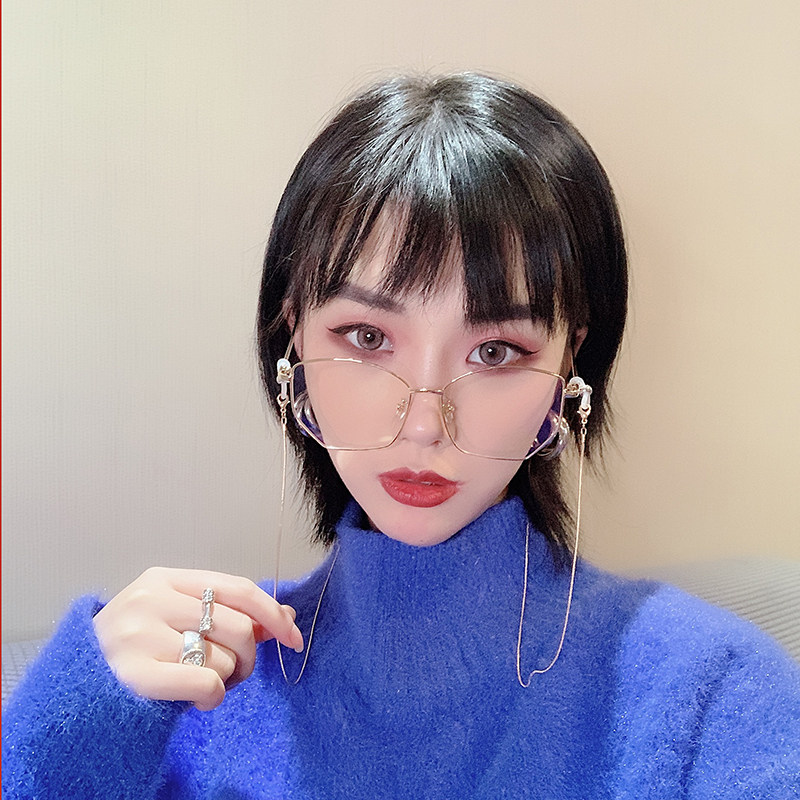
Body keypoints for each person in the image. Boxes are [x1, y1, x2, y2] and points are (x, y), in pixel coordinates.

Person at [3, 73, 799, 799]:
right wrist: (70, 724)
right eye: (367, 338)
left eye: (496, 352)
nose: (423, 424)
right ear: (293, 340)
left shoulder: (714, 698)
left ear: (569, 368)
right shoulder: (178, 687)